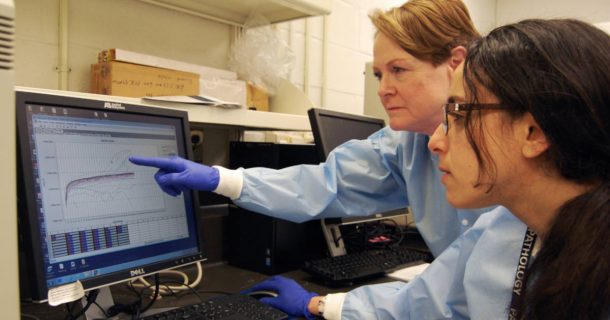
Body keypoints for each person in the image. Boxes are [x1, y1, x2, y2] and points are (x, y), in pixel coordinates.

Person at [130, 1, 528, 318]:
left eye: (399, 70)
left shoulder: (515, 162)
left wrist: (322, 305)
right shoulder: (407, 143)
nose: (385, 89)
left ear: (456, 63)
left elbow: (452, 296)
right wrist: (222, 179)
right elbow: (326, 183)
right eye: (378, 75)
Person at [246, 18, 610, 319]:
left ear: (533, 132)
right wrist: (320, 304)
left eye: (457, 114)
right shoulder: (509, 231)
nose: (436, 141)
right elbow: (429, 302)